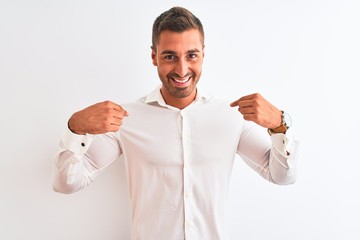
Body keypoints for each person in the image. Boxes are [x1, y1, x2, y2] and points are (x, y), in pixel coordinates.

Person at [53, 6, 299, 240]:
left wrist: (279, 125)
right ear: (154, 56)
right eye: (170, 56)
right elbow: (67, 183)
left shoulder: (230, 116)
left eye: (191, 55)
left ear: (203, 54)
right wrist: (76, 128)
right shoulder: (125, 119)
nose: (182, 70)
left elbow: (282, 176)